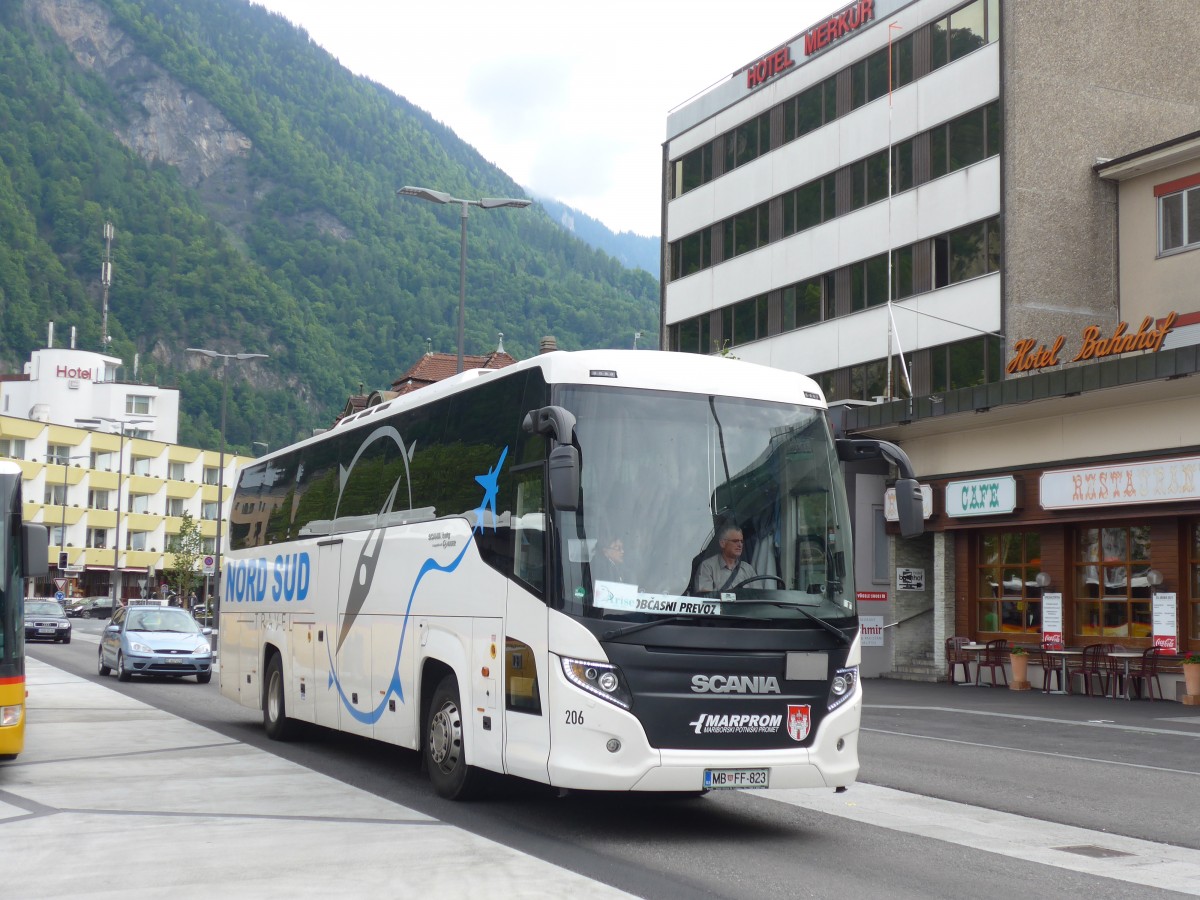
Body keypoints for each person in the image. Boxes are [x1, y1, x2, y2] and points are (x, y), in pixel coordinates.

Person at [695, 523, 756, 592]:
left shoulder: (748, 569)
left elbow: (759, 596)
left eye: (741, 541)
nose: (740, 545)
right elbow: (705, 598)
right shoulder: (707, 567)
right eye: (735, 541)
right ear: (722, 543)